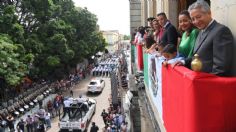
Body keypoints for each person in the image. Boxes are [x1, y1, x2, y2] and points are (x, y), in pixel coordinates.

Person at [174, 0, 234, 76]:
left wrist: (206, 83)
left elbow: (220, 69)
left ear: (209, 13)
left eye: (198, 17)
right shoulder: (201, 31)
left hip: (209, 83)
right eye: (193, 19)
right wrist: (184, 62)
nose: (196, 21)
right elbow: (197, 55)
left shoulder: (220, 31)